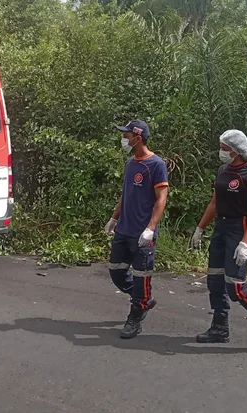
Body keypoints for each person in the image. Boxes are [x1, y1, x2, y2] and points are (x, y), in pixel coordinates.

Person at [190, 129, 247, 354]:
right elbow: (214, 203)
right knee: (215, 281)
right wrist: (200, 228)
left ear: (236, 151)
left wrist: (245, 242)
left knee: (236, 287)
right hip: (220, 228)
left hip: (238, 230)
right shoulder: (223, 170)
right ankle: (220, 327)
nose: (220, 152)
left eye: (224, 148)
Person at [104, 120, 169, 339]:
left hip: (143, 233)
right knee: (116, 271)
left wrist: (151, 228)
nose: (124, 138)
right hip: (124, 228)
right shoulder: (131, 163)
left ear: (138, 138)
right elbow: (126, 194)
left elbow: (161, 200)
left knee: (142, 276)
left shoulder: (156, 165)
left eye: (127, 134)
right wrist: (114, 218)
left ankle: (135, 316)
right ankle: (143, 299)